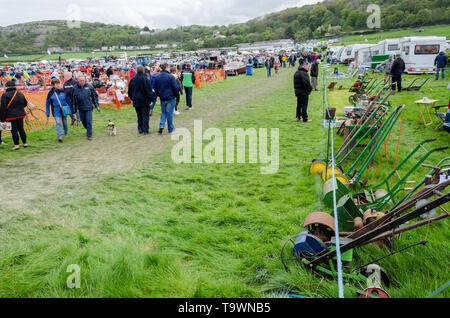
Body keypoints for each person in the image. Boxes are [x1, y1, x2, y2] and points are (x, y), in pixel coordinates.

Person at [0, 80, 28, 150]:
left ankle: (16, 145)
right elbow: (25, 103)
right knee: (21, 129)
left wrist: (2, 119)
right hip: (21, 114)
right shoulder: (20, 94)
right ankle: (25, 143)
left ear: (6, 87)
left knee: (14, 131)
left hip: (10, 116)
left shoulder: (4, 95)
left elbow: (3, 108)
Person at [71, 75, 100, 140]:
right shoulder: (74, 88)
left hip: (88, 107)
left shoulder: (89, 86)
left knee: (89, 120)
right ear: (78, 80)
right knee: (83, 121)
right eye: (80, 80)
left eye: (83, 80)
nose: (82, 82)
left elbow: (95, 95)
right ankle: (89, 129)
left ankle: (89, 134)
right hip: (80, 108)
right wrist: (74, 109)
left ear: (85, 80)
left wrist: (96, 105)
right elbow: (73, 99)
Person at [128, 65, 154, 135]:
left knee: (139, 115)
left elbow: (129, 91)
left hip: (136, 100)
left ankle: (140, 128)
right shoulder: (145, 79)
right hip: (144, 100)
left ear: (136, 71)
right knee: (145, 115)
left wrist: (132, 98)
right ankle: (145, 130)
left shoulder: (132, 79)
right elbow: (148, 91)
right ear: (143, 71)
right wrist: (151, 100)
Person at [154, 63, 179, 134]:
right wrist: (176, 95)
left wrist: (158, 94)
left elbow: (155, 88)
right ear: (166, 68)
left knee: (163, 112)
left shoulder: (157, 77)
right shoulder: (170, 77)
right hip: (170, 97)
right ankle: (170, 129)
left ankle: (161, 125)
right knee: (169, 113)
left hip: (162, 97)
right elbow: (175, 87)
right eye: (169, 67)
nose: (170, 68)